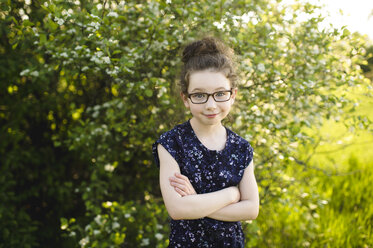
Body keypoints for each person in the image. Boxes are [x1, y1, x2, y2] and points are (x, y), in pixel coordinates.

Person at [152, 37, 259, 247]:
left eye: (220, 94)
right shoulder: (171, 143)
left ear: (233, 95)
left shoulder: (241, 148)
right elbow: (178, 210)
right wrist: (231, 194)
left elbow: (251, 209)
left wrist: (196, 201)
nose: (211, 105)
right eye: (200, 95)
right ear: (185, 98)